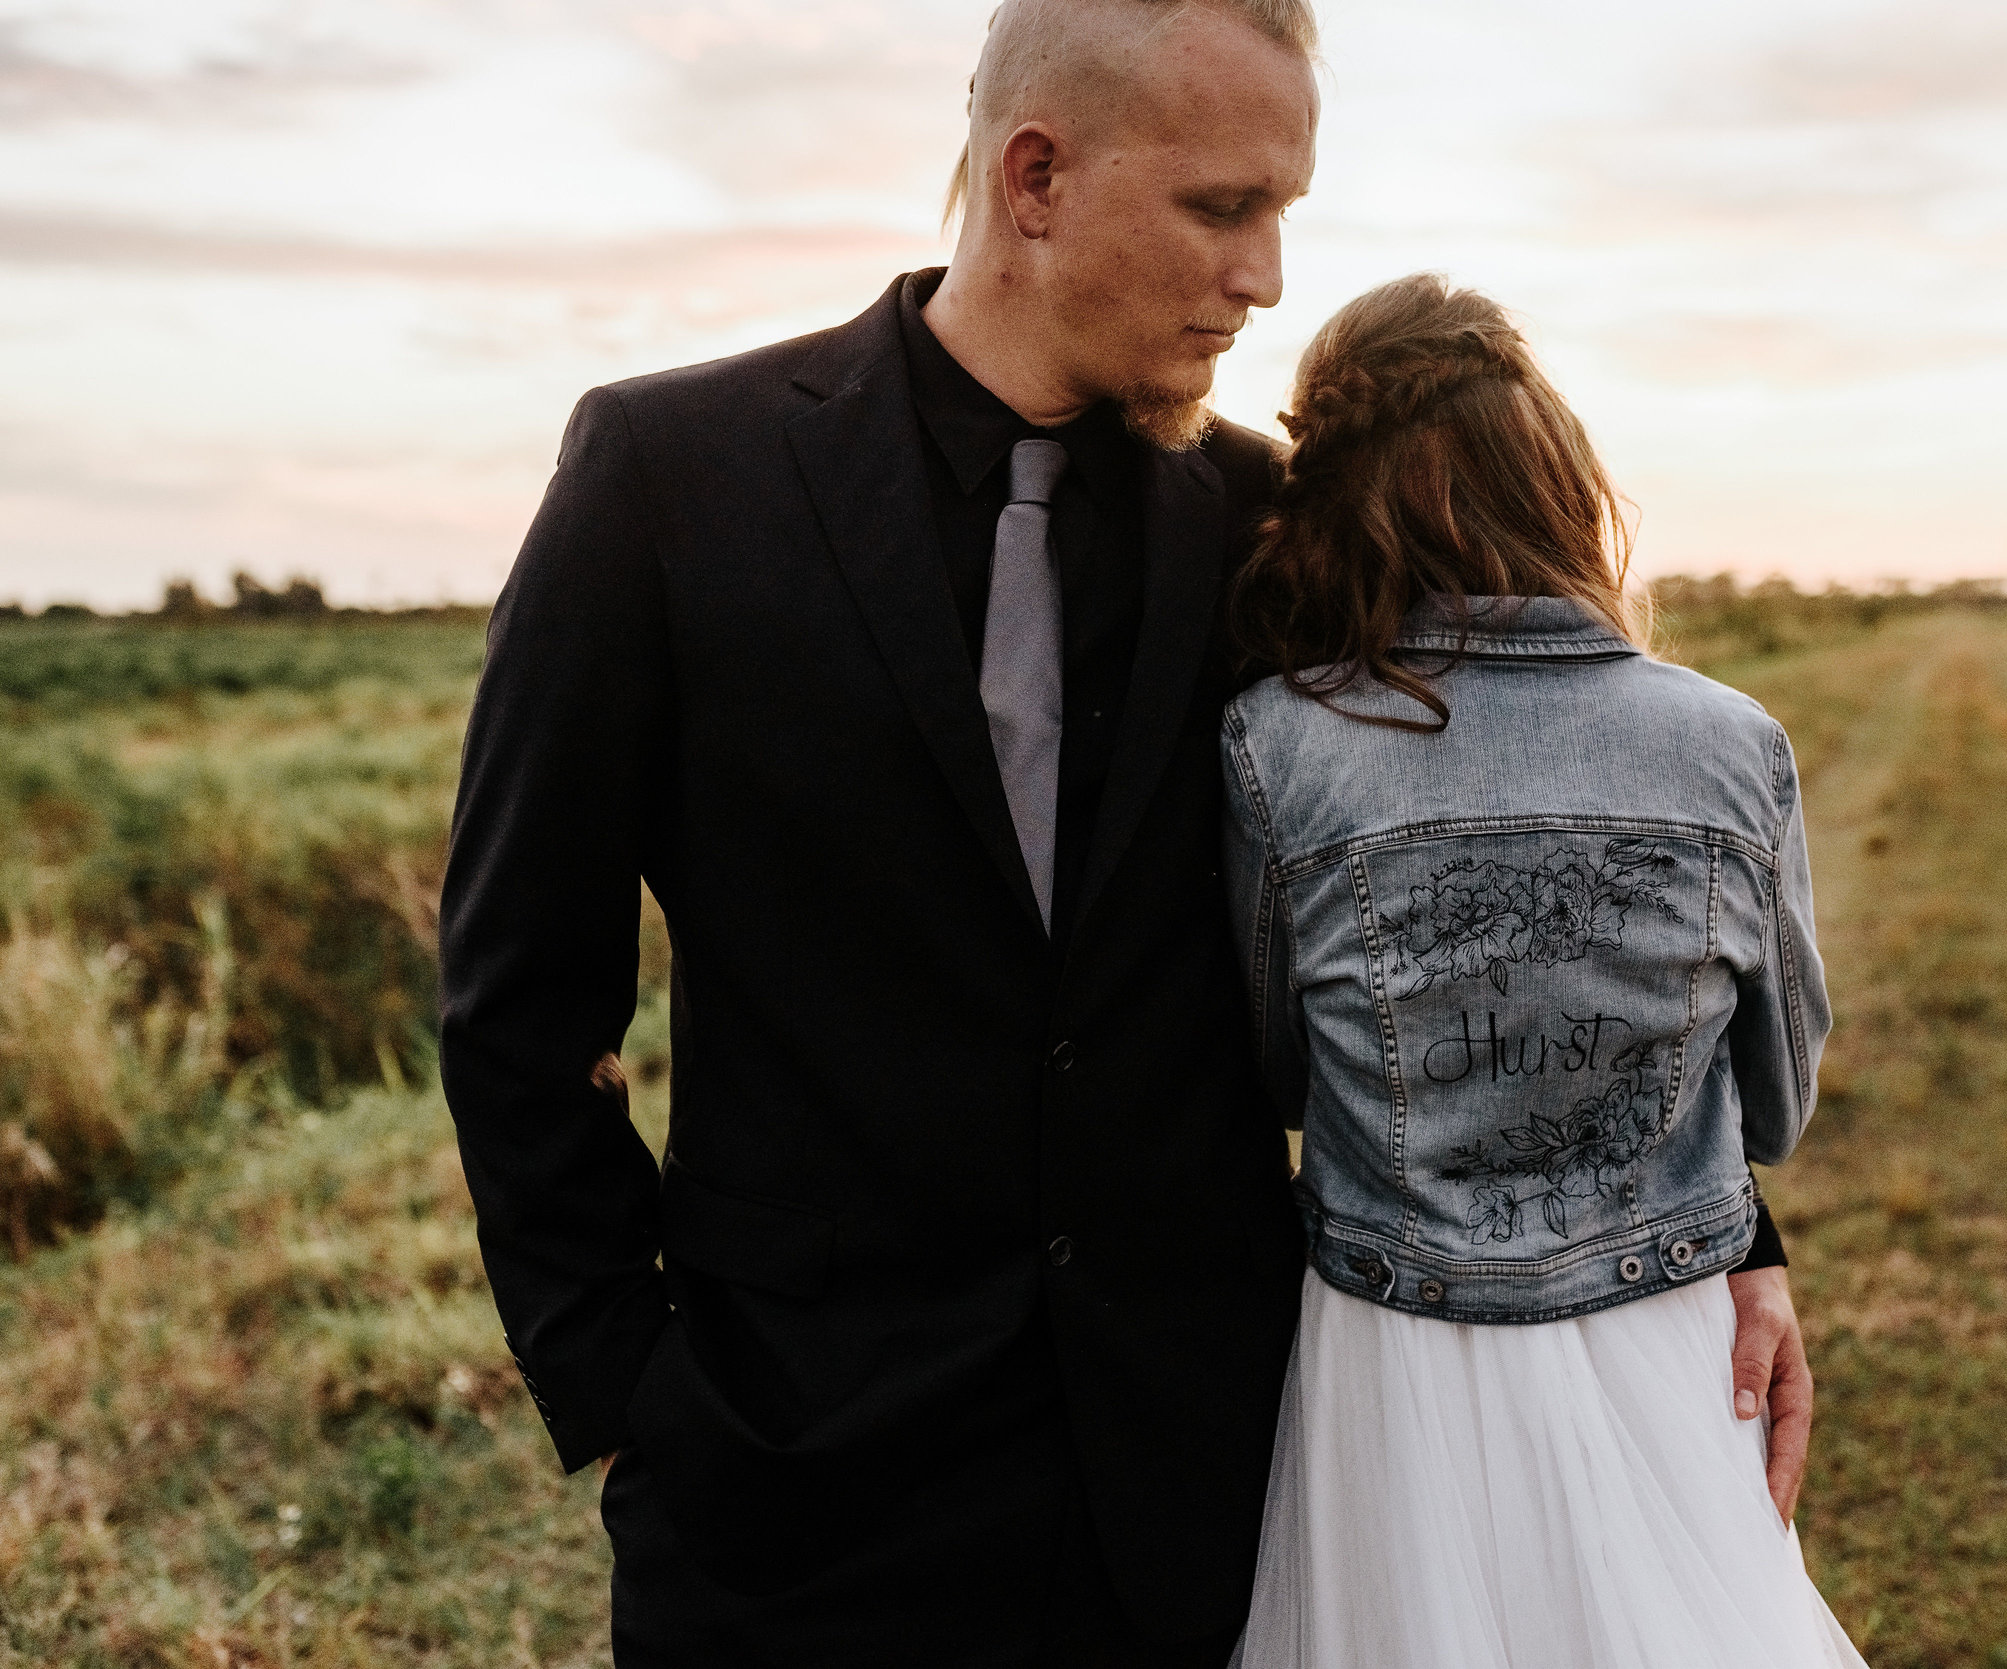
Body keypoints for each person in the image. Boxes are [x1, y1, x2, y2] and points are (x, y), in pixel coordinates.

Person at [438, 0, 1812, 1657]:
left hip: (1200, 1471)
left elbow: (1515, 855)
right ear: (1036, 180)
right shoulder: (668, 477)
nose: (1267, 279)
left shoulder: (1263, 522)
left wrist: (1734, 1230)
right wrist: (629, 1389)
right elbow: (519, 989)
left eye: (1283, 216)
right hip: (789, 1486)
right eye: (1225, 210)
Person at [1221, 274, 1865, 1668]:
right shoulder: (1732, 742)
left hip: (1388, 1352)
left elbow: (1278, 1068)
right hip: (1671, 1328)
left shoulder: (1280, 742)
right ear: (1566, 487)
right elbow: (1778, 1105)